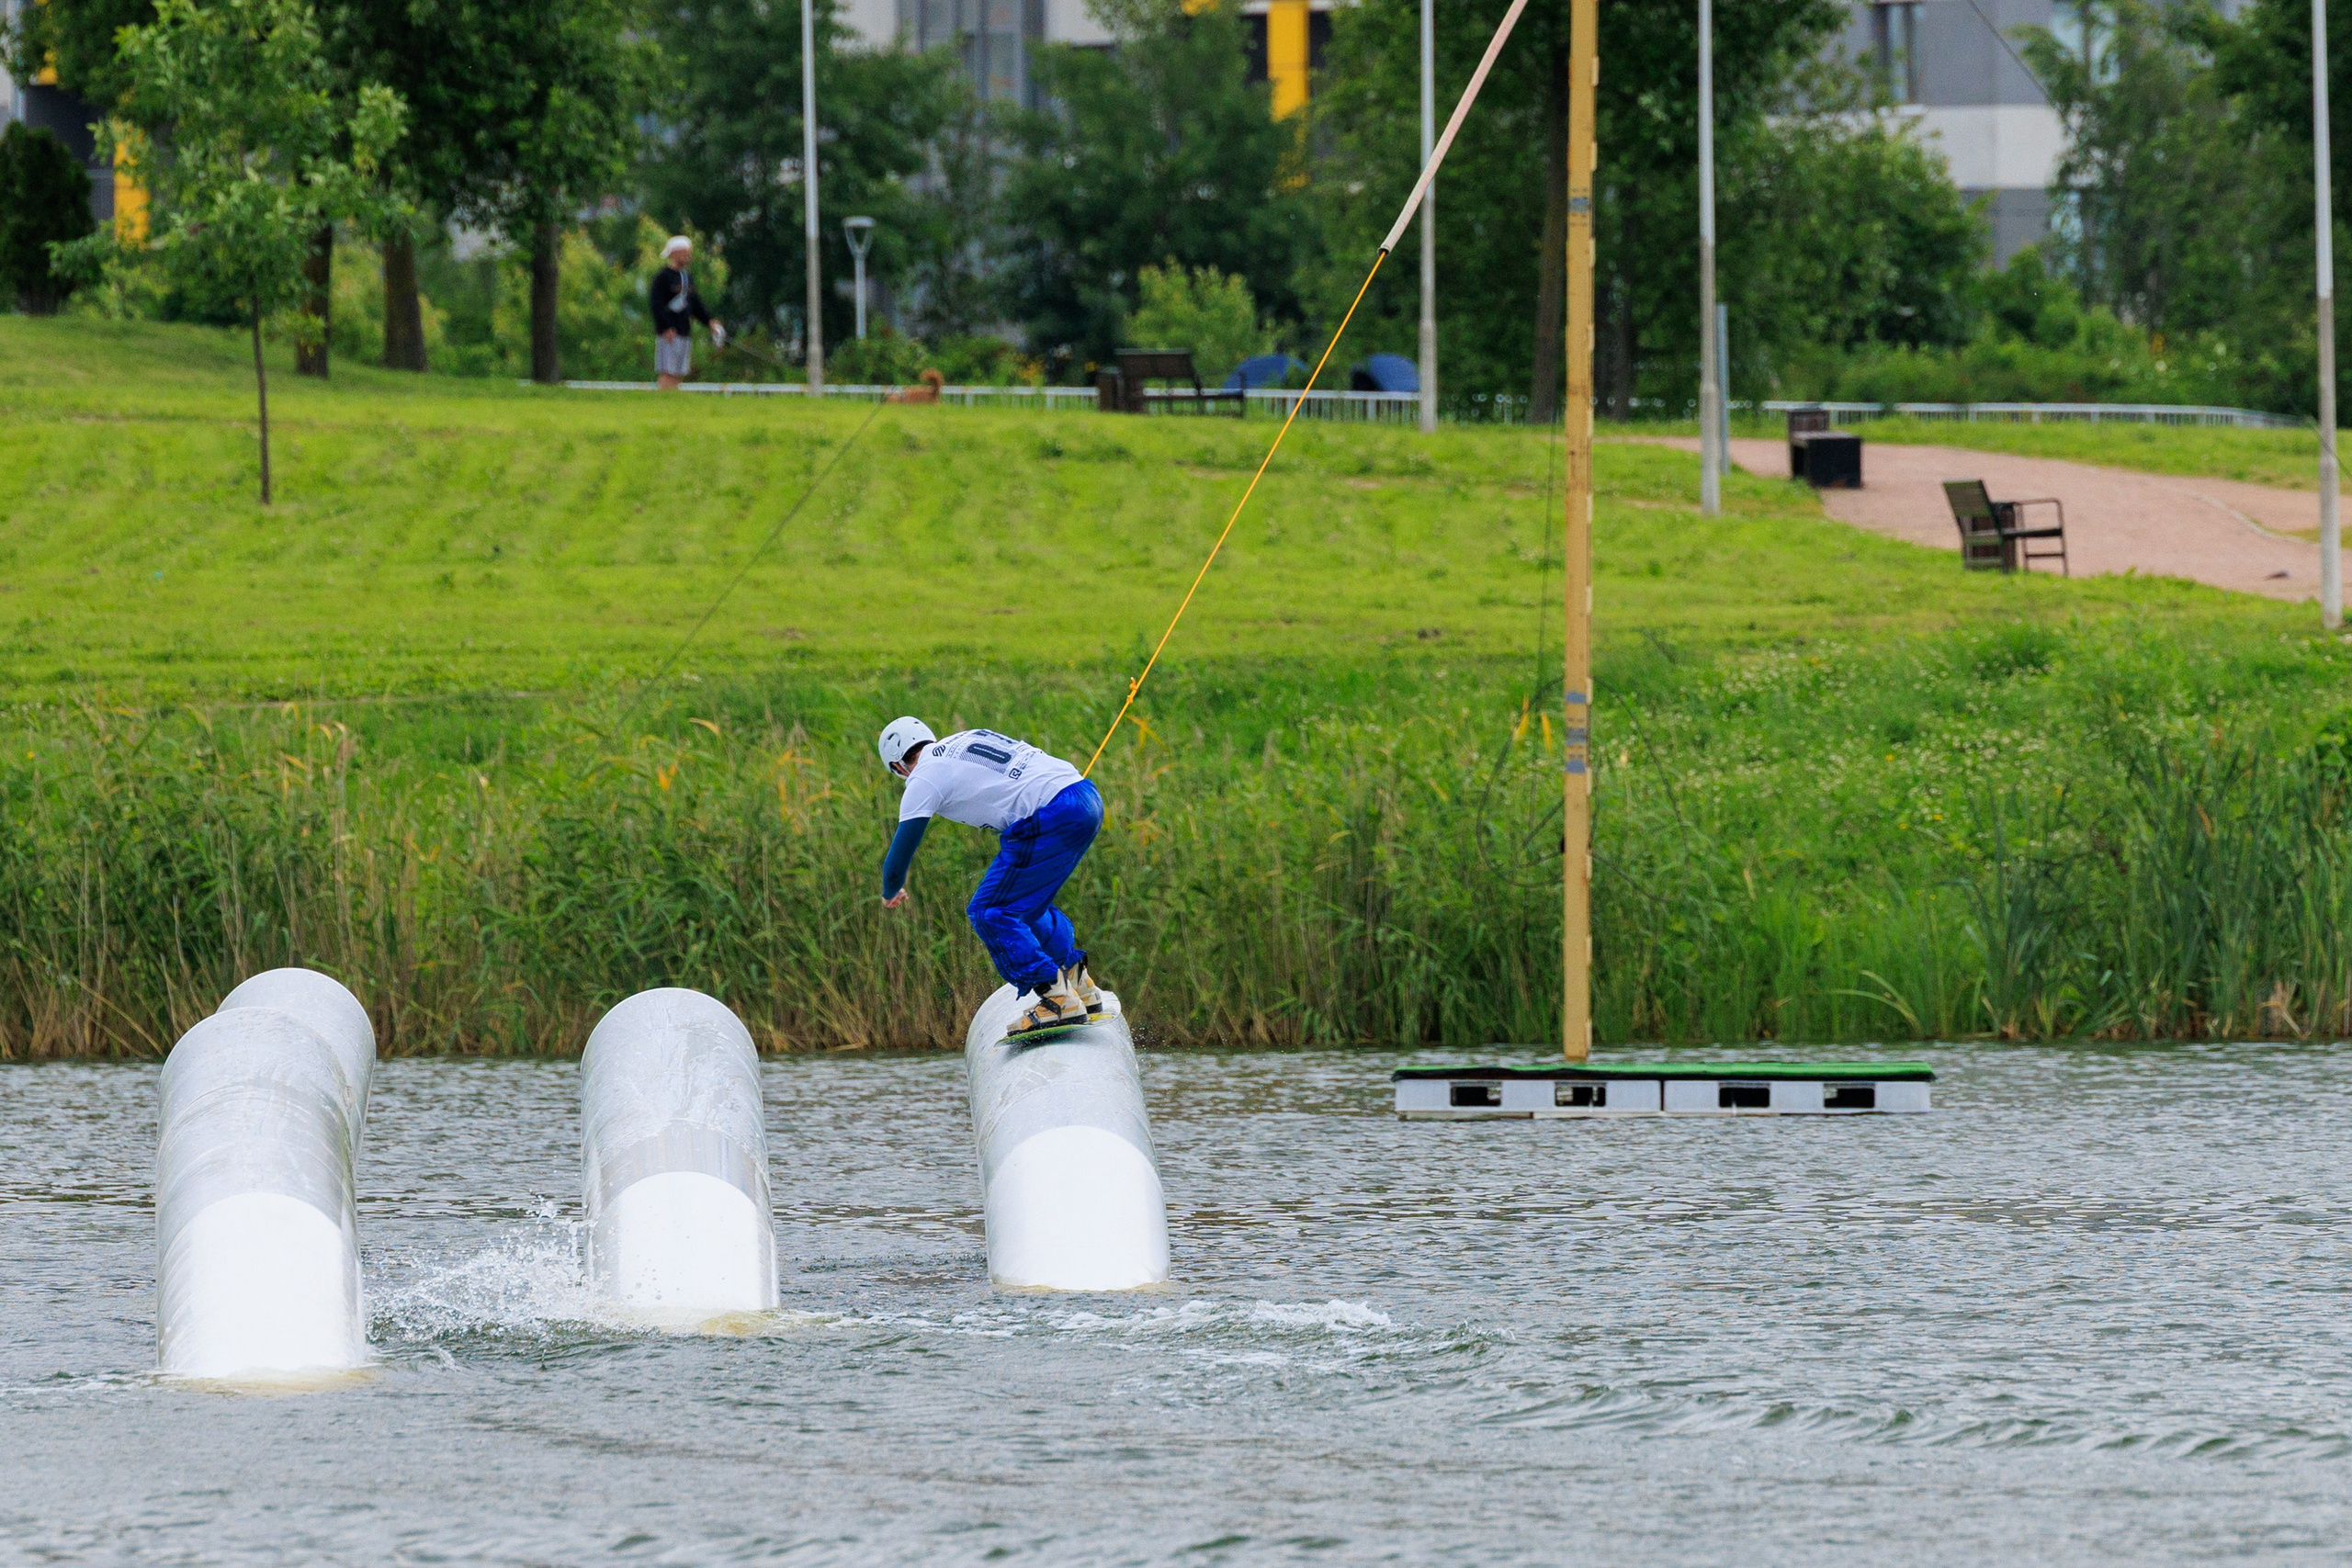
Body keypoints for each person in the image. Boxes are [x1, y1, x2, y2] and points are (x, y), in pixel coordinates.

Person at [876, 717, 1105, 1035]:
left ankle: (1056, 999)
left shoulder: (923, 778)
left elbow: (899, 854)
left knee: (990, 911)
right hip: (1084, 796)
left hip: (1050, 814)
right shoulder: (962, 739)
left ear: (898, 766)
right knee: (1026, 906)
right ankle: (1080, 985)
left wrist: (891, 889)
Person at [650, 235, 724, 390]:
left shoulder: (686, 278)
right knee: (668, 371)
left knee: (678, 372)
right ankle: (663, 400)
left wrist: (709, 321)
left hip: (684, 330)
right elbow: (656, 304)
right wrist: (665, 327)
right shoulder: (663, 278)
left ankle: (673, 401)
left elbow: (695, 304)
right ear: (674, 253)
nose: (688, 257)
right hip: (670, 333)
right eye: (685, 253)